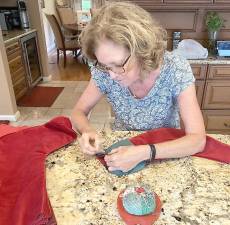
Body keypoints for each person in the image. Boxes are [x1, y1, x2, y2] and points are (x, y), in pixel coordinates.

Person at [71, 2, 206, 173]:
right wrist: (87, 130)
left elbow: (197, 139)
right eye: (105, 66)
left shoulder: (175, 69)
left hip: (165, 152)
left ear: (142, 51)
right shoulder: (104, 72)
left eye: (118, 64)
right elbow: (78, 112)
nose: (111, 74)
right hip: (123, 149)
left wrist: (144, 153)